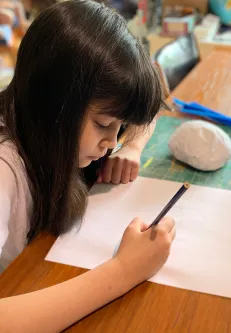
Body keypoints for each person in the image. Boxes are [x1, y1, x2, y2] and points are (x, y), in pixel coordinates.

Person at [0, 1, 176, 332]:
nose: (112, 142)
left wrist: (132, 146)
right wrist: (124, 271)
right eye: (103, 124)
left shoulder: (42, 124)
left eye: (119, 126)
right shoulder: (4, 169)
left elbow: (148, 114)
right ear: (54, 104)